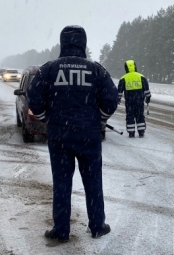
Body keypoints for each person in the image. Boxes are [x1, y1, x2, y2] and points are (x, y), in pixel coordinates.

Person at [27, 25, 118, 243]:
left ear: (62, 44)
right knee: (93, 181)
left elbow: (34, 97)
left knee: (62, 182)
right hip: (89, 136)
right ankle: (97, 225)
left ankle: (61, 230)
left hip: (59, 136)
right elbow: (112, 99)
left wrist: (46, 118)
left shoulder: (49, 68)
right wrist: (100, 119)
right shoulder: (96, 69)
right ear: (83, 44)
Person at [117, 60, 151, 138]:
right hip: (139, 101)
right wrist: (148, 98)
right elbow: (146, 89)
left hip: (129, 102)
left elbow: (119, 91)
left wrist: (118, 99)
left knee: (130, 116)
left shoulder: (123, 78)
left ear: (126, 68)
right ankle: (141, 132)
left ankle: (131, 133)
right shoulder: (141, 77)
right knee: (140, 116)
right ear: (135, 66)